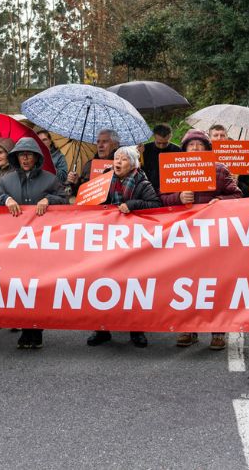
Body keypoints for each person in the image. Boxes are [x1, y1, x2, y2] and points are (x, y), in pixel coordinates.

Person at [161, 129, 243, 350]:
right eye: (191, 145)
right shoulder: (174, 169)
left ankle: (218, 331)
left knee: (214, 283)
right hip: (185, 237)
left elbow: (237, 194)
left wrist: (220, 200)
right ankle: (188, 328)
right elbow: (160, 198)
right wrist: (178, 197)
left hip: (212, 238)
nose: (195, 149)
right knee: (186, 283)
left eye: (200, 145)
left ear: (207, 149)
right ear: (184, 149)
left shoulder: (219, 169)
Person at [0, 137, 68, 350]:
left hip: (41, 245)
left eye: (29, 155)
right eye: (21, 155)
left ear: (36, 157)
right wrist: (5, 199)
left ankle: (36, 331)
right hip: (15, 245)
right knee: (19, 287)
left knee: (37, 288)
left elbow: (64, 200)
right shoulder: (6, 181)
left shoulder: (50, 180)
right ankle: (25, 329)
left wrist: (49, 200)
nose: (25, 158)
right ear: (16, 157)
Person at [86, 146, 162, 349]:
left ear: (133, 164)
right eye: (116, 158)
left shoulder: (142, 183)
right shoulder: (103, 180)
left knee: (131, 286)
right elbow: (89, 203)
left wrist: (133, 205)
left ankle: (136, 329)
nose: (118, 162)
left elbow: (156, 204)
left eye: (123, 159)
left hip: (132, 245)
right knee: (102, 284)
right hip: (106, 242)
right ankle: (102, 329)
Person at [65, 128, 120, 198]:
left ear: (115, 145)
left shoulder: (121, 165)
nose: (100, 145)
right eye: (98, 142)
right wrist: (76, 182)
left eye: (105, 142)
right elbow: (82, 194)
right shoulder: (89, 164)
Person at [141, 123, 180, 193]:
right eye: (158, 143)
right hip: (149, 188)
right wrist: (138, 154)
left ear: (170, 136)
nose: (161, 146)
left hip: (170, 189)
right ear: (154, 137)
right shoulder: (144, 149)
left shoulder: (177, 151)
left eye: (165, 143)